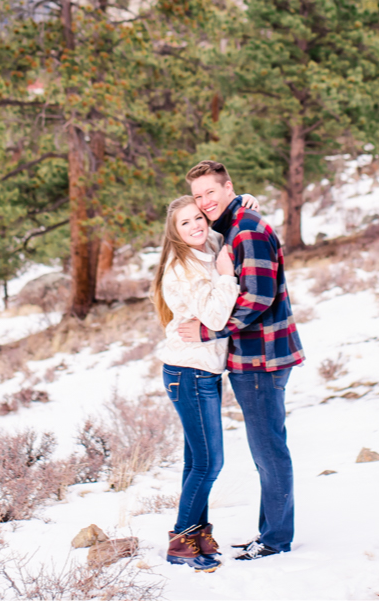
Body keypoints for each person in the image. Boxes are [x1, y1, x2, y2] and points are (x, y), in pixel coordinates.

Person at [174, 159, 304, 561]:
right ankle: (271, 533)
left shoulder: (245, 229)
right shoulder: (234, 224)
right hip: (255, 356)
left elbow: (258, 298)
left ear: (228, 187)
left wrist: (208, 332)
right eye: (198, 196)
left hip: (261, 358)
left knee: (268, 451)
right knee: (267, 448)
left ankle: (276, 539)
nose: (204, 202)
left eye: (211, 192)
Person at [149, 195, 239, 571]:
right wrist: (226, 276)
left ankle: (197, 535)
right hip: (189, 372)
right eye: (184, 223)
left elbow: (227, 218)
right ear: (175, 232)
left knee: (195, 461)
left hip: (203, 370)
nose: (195, 226)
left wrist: (244, 202)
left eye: (198, 217)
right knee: (209, 462)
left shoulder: (210, 244)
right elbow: (215, 318)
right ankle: (181, 540)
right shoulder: (182, 267)